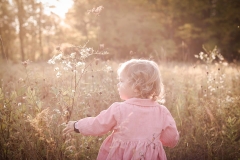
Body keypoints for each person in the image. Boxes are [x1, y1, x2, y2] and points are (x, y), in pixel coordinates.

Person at [63, 59, 179, 160]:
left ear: (137, 87)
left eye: (121, 81)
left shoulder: (119, 109)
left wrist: (77, 125)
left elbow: (98, 124)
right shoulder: (161, 111)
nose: (118, 84)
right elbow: (171, 139)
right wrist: (151, 141)